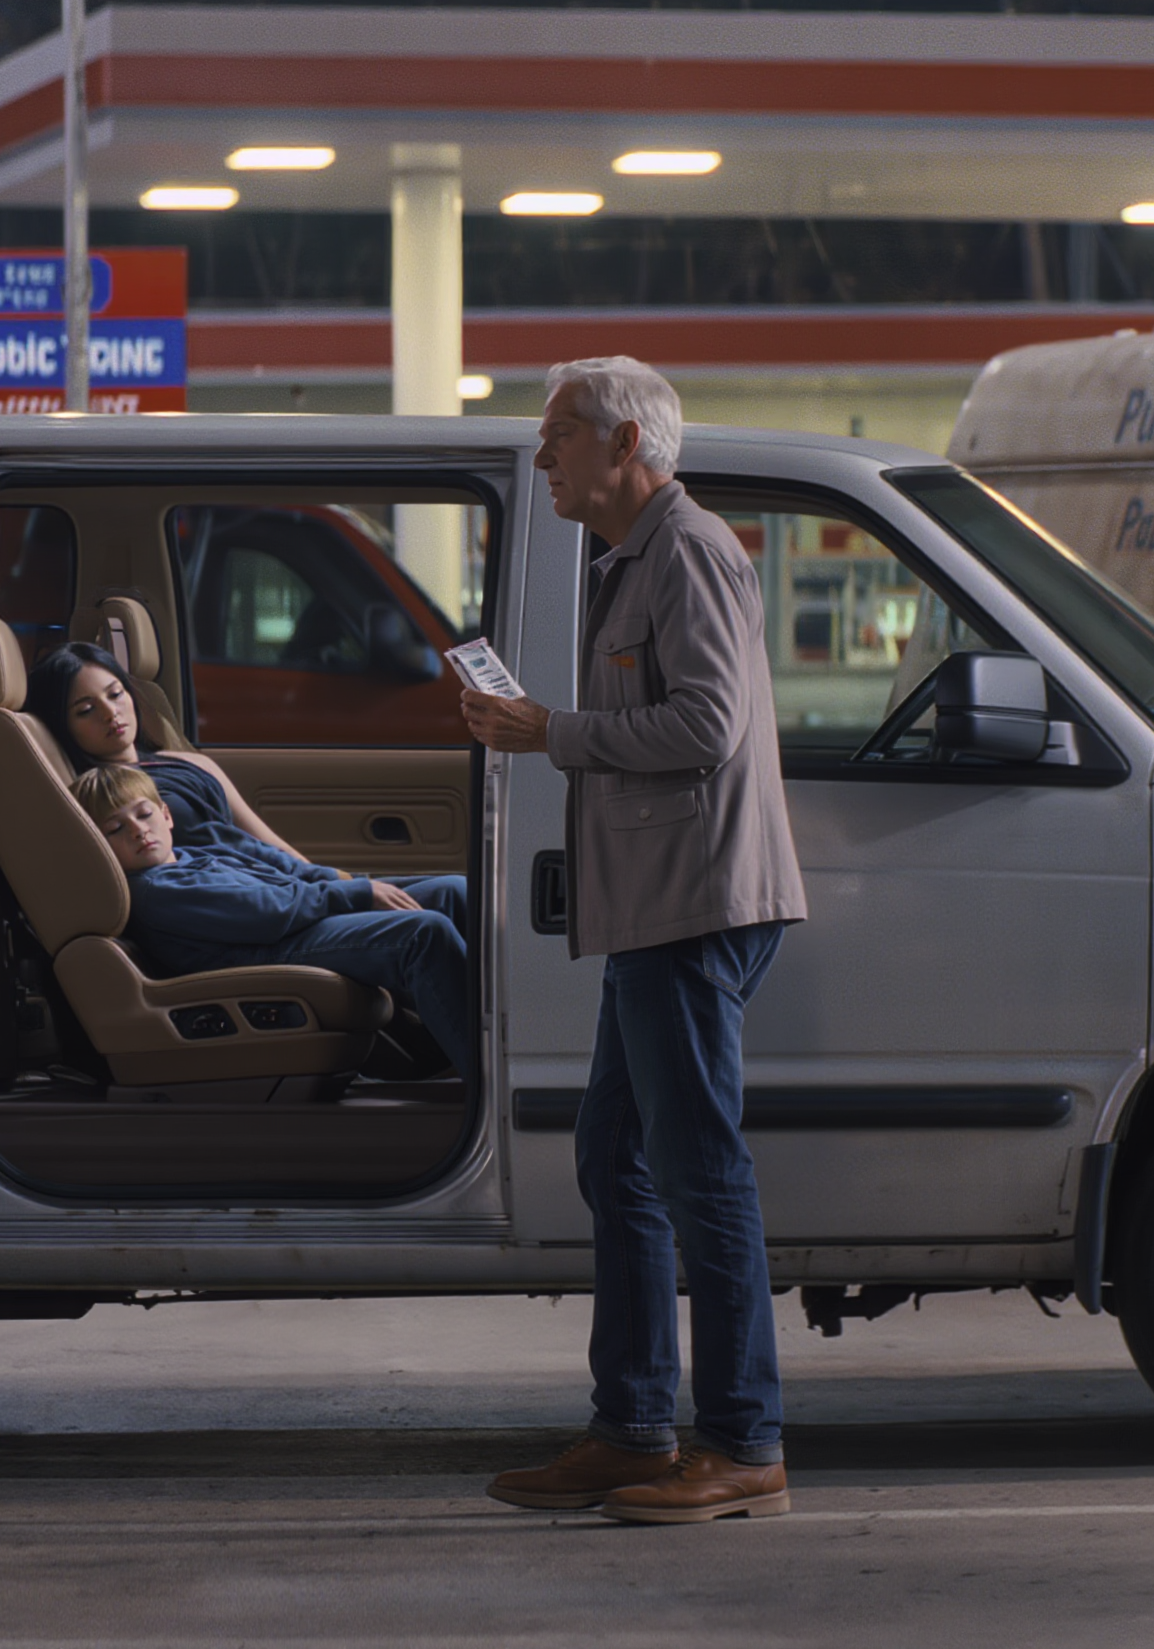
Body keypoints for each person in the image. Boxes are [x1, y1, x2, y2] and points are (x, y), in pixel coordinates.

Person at [463, 355, 807, 1526]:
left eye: (559, 434)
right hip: (656, 905)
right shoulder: (631, 554)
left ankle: (743, 1440)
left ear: (625, 445)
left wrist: (545, 729)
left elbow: (706, 724)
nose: (543, 454)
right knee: (616, 1155)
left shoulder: (689, 549)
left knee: (695, 1166)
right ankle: (632, 1424)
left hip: (693, 905)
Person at [71, 763, 474, 1077]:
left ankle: (508, 1035)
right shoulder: (154, 890)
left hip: (292, 923)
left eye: (144, 815)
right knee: (423, 934)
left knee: (452, 890)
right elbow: (265, 911)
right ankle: (484, 1076)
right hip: (269, 948)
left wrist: (340, 881)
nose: (139, 831)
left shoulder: (194, 857)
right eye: (115, 829)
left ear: (166, 815)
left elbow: (286, 877)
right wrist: (357, 894)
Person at [26, 640, 433, 917]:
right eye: (85, 710)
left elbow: (265, 842)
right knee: (427, 923)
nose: (110, 713)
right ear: (64, 726)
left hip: (292, 885)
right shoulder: (105, 799)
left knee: (453, 890)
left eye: (115, 694)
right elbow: (214, 889)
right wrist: (338, 898)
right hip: (265, 905)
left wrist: (338, 883)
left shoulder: (185, 762)